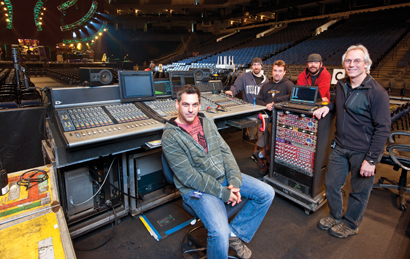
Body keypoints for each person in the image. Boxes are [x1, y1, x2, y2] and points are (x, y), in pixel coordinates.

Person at [162, 85, 275, 259]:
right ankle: (226, 235)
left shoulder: (206, 121)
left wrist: (234, 180)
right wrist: (223, 193)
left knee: (267, 193)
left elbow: (225, 151)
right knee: (219, 231)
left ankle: (234, 234)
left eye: (194, 104)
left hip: (222, 177)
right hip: (196, 189)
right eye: (185, 105)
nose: (190, 110)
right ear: (177, 105)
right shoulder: (170, 135)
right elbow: (188, 176)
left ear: (199, 105)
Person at [313, 44, 390, 238]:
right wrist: (328, 107)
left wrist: (371, 159)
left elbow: (383, 129)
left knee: (359, 191)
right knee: (331, 185)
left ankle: (351, 224)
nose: (352, 64)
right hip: (340, 146)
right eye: (348, 61)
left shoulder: (377, 92)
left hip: (363, 151)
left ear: (366, 64)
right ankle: (336, 215)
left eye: (357, 61)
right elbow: (340, 104)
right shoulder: (341, 85)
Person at [254, 60, 294, 175]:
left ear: (284, 72)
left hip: (280, 120)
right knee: (265, 145)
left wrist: (275, 101)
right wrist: (266, 105)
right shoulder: (266, 85)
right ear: (272, 71)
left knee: (273, 146)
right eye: (275, 70)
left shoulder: (289, 84)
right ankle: (263, 158)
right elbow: (259, 99)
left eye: (280, 71)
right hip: (265, 118)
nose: (277, 73)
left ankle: (266, 163)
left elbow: (292, 97)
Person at [226, 57, 268, 164]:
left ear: (262, 66)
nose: (256, 67)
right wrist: (231, 92)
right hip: (249, 112)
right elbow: (236, 87)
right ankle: (256, 153)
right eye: (254, 65)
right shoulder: (244, 76)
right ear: (251, 66)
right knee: (253, 136)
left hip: (261, 112)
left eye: (258, 65)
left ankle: (256, 154)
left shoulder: (266, 80)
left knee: (261, 135)